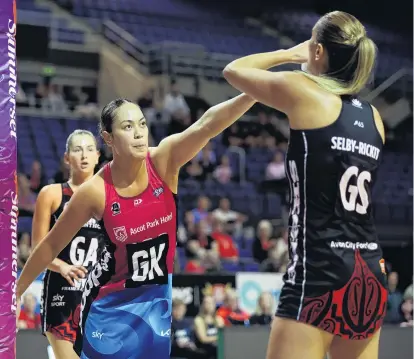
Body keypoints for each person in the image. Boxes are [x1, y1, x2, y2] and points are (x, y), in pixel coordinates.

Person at [16, 94, 255, 359]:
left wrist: (253, 92)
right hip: (109, 316)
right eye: (128, 127)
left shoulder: (164, 160)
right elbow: (49, 245)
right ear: (108, 139)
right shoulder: (95, 191)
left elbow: (207, 125)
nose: (139, 133)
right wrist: (14, 292)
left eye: (142, 124)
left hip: (155, 313)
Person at [223, 10, 387, 359]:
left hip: (320, 271)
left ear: (318, 51)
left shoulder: (305, 92)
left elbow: (234, 71)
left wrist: (290, 54)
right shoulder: (374, 118)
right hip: (369, 271)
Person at [32, 130, 104, 359]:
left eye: (89, 149)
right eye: (77, 149)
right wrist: (61, 266)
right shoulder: (51, 194)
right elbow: (36, 250)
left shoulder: (110, 198)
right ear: (66, 158)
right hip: (61, 294)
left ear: (98, 156)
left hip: (97, 298)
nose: (84, 155)